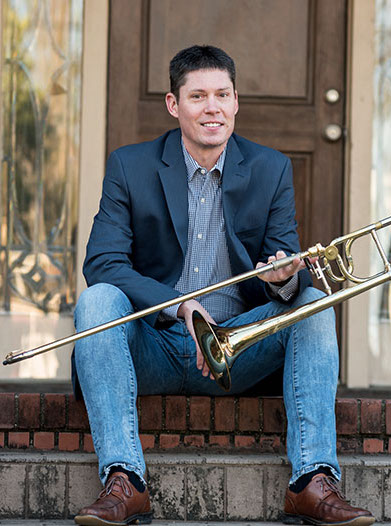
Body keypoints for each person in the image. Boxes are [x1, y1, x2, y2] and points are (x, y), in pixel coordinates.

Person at [73, 45, 374, 526]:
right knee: (97, 301)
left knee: (315, 303)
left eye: (222, 95)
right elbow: (103, 262)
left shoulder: (271, 168)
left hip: (239, 350)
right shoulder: (130, 166)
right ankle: (124, 480)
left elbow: (287, 274)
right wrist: (182, 307)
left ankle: (312, 481)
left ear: (236, 102)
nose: (212, 107)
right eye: (198, 96)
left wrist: (283, 278)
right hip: (154, 346)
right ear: (175, 105)